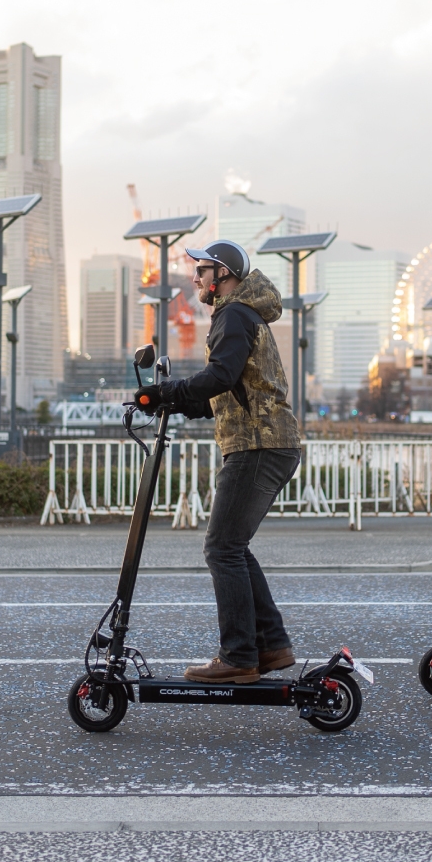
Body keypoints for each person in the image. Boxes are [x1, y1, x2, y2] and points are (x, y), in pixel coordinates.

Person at [134, 239, 303, 684]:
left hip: (258, 444)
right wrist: (176, 403)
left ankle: (239, 657)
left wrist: (166, 391)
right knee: (233, 547)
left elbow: (220, 376)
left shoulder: (234, 314)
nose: (195, 279)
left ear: (222, 274)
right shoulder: (242, 315)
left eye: (202, 271)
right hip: (267, 442)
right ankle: (271, 646)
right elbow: (228, 392)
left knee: (222, 548)